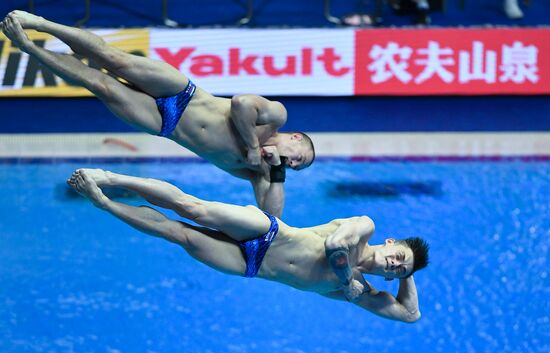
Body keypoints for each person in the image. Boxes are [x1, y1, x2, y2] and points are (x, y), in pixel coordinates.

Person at [1, 11, 316, 218]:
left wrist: (277, 173)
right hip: (183, 94)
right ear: (296, 137)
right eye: (299, 157)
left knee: (99, 84)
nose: (293, 163)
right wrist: (250, 144)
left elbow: (271, 218)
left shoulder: (258, 171)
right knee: (113, 59)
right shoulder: (276, 118)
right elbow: (241, 103)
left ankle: (29, 47)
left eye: (297, 167)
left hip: (166, 124)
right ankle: (40, 23)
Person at [67, 168, 429, 322]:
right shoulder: (365, 228)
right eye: (398, 256)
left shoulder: (361, 291)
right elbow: (336, 245)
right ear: (390, 241)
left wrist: (406, 275)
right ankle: (110, 177)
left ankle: (104, 203)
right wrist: (347, 277)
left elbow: (410, 315)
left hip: (253, 265)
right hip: (270, 232)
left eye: (398, 268)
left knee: (178, 234)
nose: (394, 264)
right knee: (192, 208)